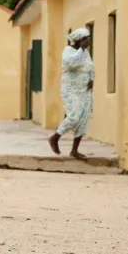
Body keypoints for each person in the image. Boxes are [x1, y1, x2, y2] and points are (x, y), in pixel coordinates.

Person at [48, 28, 94, 160]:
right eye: (86, 38)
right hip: (71, 90)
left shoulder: (85, 53)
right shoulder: (68, 51)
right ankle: (55, 137)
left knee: (83, 119)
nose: (89, 41)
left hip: (84, 91)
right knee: (74, 116)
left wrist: (92, 79)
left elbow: (90, 66)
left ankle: (74, 150)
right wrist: (80, 49)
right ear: (80, 40)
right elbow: (70, 65)